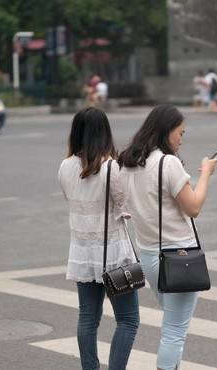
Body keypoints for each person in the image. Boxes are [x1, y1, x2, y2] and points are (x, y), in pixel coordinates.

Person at [117, 104, 217, 370]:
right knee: (174, 332)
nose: (181, 139)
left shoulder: (128, 162)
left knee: (173, 325)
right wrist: (206, 173)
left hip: (150, 256)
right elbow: (193, 207)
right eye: (180, 133)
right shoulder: (167, 162)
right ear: (166, 130)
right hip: (179, 257)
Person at [58, 107, 140, 370]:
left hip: (83, 254)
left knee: (88, 320)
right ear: (105, 133)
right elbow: (126, 210)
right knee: (128, 320)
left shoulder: (65, 166)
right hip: (114, 254)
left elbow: (71, 200)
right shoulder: (110, 168)